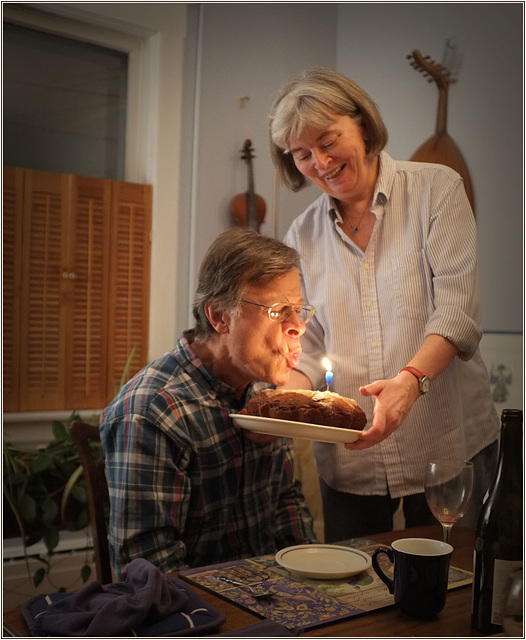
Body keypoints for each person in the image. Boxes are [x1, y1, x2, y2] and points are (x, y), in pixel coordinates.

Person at [268, 67, 500, 541]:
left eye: (329, 141)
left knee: (454, 593)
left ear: (364, 126)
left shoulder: (437, 189)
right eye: (302, 154)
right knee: (353, 595)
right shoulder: (301, 236)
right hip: (352, 459)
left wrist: (409, 383)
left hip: (445, 443)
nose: (321, 162)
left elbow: (456, 313)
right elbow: (308, 348)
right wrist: (277, 403)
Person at [100, 228, 317, 580]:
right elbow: (150, 571)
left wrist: (313, 584)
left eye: (299, 310)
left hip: (279, 604)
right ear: (219, 317)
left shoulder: (263, 392)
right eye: (279, 312)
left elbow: (286, 505)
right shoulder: (152, 412)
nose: (298, 327)